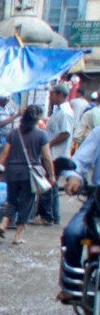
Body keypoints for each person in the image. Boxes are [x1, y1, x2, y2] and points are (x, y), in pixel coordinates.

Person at [0, 106, 55, 244]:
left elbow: (5, 153)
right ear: (37, 118)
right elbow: (47, 156)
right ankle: (17, 236)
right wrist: (51, 175)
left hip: (12, 172)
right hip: (29, 175)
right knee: (26, 204)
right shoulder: (41, 135)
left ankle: (3, 223)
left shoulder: (14, 133)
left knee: (12, 200)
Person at [58, 125, 100, 302]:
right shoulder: (99, 133)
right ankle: (71, 286)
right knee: (72, 233)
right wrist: (74, 177)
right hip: (97, 201)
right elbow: (79, 162)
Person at [40, 84, 74, 225]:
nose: (50, 97)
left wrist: (49, 144)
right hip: (53, 153)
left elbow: (65, 133)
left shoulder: (65, 112)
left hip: (56, 155)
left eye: (52, 94)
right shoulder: (59, 111)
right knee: (51, 185)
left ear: (60, 95)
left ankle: (49, 216)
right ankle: (52, 216)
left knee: (49, 184)